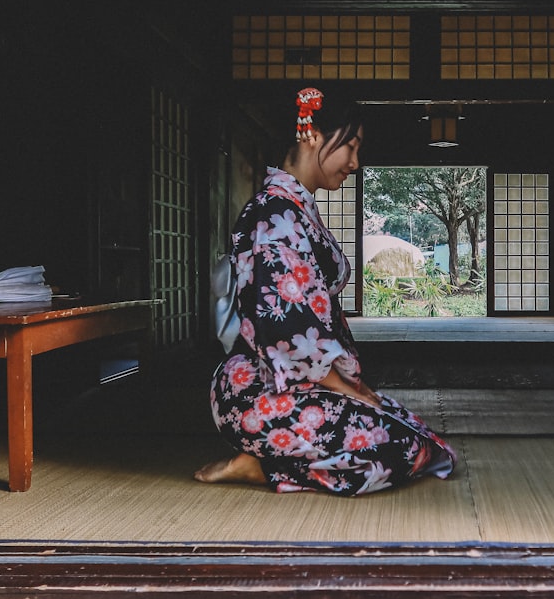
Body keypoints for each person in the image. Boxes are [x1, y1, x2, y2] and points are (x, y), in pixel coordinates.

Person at [195, 88, 455, 496]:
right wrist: (346, 387)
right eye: (350, 146)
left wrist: (356, 388)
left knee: (419, 434)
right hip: (258, 391)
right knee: (401, 449)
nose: (354, 162)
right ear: (310, 135)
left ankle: (274, 459)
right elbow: (288, 327)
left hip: (297, 382)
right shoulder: (275, 215)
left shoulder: (293, 209)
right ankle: (263, 469)